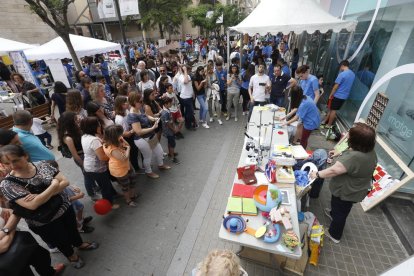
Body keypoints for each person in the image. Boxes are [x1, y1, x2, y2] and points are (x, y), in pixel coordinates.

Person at [0, 145, 99, 269]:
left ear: (25, 155)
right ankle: (72, 256)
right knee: (60, 239)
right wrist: (53, 185)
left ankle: (79, 244)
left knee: (72, 228)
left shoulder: (42, 165)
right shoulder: (8, 183)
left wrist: (39, 195)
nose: (12, 166)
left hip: (64, 207)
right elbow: (32, 205)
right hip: (43, 221)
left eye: (15, 160)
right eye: (6, 163)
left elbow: (65, 182)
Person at [310, 123, 377, 243]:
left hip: (347, 191)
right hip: (354, 188)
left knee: (341, 211)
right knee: (338, 206)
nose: (346, 136)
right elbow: (350, 153)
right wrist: (339, 152)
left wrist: (317, 174)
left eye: (350, 136)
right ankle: (332, 214)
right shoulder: (369, 151)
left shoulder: (354, 157)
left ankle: (334, 234)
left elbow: (334, 170)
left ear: (356, 141)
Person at [0, 207, 65, 275]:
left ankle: (50, 273)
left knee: (42, 257)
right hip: (6, 261)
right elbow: (3, 246)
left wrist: (4, 231)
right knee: (23, 272)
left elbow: (14, 213)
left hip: (20, 242)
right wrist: (8, 229)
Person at [127, 92, 171, 179]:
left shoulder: (139, 108)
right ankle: (148, 172)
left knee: (159, 152)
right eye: (140, 101)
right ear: (134, 102)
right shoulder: (132, 115)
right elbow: (138, 131)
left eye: (142, 100)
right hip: (141, 139)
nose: (142, 102)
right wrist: (153, 128)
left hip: (150, 135)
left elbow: (146, 115)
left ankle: (160, 165)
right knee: (148, 156)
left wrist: (153, 118)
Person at [57, 111, 100, 201]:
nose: (78, 119)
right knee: (87, 175)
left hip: (86, 154)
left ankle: (95, 187)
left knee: (91, 174)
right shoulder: (67, 137)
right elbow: (75, 154)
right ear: (70, 121)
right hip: (81, 157)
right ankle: (92, 194)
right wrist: (83, 164)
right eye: (76, 119)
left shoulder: (76, 128)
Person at [80, 117, 119, 209]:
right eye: (97, 124)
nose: (99, 126)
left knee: (105, 184)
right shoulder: (94, 140)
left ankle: (114, 194)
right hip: (97, 168)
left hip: (88, 166)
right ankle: (109, 204)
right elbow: (102, 157)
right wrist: (113, 154)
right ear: (92, 127)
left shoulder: (84, 136)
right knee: (105, 187)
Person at [103, 125, 138, 207]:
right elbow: (124, 158)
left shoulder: (118, 139)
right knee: (125, 185)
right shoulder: (112, 148)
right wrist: (128, 148)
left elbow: (126, 145)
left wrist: (125, 145)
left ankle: (132, 195)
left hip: (127, 165)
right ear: (114, 136)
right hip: (119, 169)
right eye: (120, 134)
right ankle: (128, 200)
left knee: (133, 179)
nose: (121, 135)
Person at [322, 60, 356, 129]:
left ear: (342, 65)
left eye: (340, 66)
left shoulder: (342, 74)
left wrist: (330, 95)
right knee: (331, 108)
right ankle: (324, 121)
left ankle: (328, 125)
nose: (340, 68)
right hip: (344, 96)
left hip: (338, 95)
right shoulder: (352, 74)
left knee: (332, 110)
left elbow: (335, 87)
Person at [114, 95, 140, 172]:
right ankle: (136, 169)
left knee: (135, 153)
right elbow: (125, 134)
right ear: (120, 105)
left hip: (132, 136)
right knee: (132, 154)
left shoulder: (126, 111)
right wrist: (134, 129)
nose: (127, 103)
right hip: (128, 139)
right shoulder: (119, 119)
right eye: (125, 103)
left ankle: (136, 167)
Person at [160, 97, 180, 164]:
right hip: (169, 131)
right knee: (172, 143)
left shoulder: (167, 110)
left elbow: (170, 121)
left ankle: (170, 153)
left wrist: (174, 125)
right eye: (170, 103)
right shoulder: (165, 113)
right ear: (166, 104)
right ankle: (172, 157)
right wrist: (174, 129)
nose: (171, 104)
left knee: (170, 142)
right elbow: (168, 123)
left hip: (169, 130)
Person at [178, 65, 196, 130]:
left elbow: (190, 85)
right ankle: (188, 125)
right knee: (189, 112)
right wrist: (185, 70)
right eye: (189, 70)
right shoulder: (181, 77)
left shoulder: (187, 76)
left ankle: (190, 123)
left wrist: (193, 93)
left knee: (189, 112)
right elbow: (185, 82)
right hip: (185, 97)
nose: (190, 71)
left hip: (190, 96)